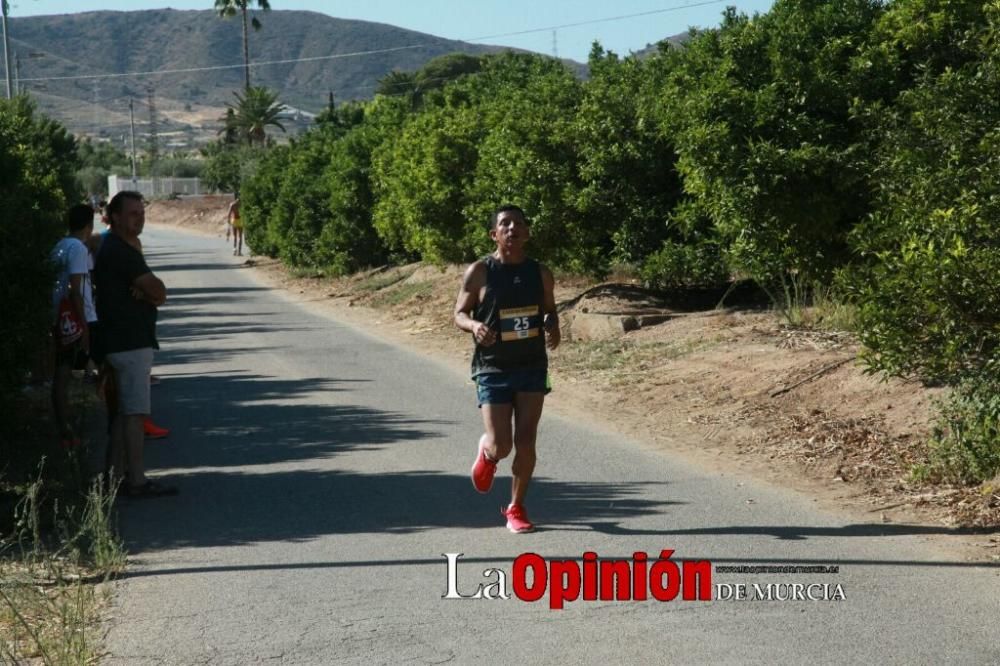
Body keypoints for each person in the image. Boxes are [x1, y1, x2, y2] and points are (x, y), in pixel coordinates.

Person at [453, 204, 561, 533]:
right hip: (492, 367)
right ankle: (488, 453)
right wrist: (474, 326)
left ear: (527, 233)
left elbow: (549, 310)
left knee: (526, 441)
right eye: (505, 224)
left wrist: (552, 324)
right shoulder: (480, 272)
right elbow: (458, 313)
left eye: (518, 224)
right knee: (503, 444)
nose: (512, 228)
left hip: (531, 364)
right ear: (494, 234)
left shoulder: (540, 273)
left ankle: (516, 507)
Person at [93, 190, 176, 498]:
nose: (139, 218)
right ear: (114, 216)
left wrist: (148, 291)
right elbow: (159, 290)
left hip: (120, 341)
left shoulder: (115, 246)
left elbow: (151, 290)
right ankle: (136, 481)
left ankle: (112, 479)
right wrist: (150, 292)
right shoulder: (120, 251)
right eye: (132, 213)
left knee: (122, 414)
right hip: (128, 343)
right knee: (135, 413)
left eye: (141, 213)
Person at [50, 203, 96, 448]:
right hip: (76, 318)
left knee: (62, 374)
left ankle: (65, 429)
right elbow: (75, 290)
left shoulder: (59, 245)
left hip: (60, 318)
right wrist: (85, 326)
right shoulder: (78, 248)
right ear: (89, 225)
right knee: (68, 374)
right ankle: (69, 432)